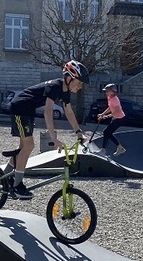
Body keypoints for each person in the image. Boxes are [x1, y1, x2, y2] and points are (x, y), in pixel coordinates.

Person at [6, 60, 88, 199]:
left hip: (28, 111)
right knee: (29, 145)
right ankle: (17, 185)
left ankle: (5, 177)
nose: (80, 87)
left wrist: (79, 132)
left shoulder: (65, 92)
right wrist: (53, 137)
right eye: (79, 83)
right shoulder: (54, 86)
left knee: (22, 148)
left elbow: (69, 112)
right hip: (19, 108)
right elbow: (48, 111)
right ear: (69, 78)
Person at [96, 84, 127, 156]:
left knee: (106, 132)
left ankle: (103, 151)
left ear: (113, 91)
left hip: (120, 119)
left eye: (107, 91)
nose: (106, 92)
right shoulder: (109, 98)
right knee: (108, 133)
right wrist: (102, 114)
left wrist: (106, 117)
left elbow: (117, 111)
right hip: (115, 118)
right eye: (105, 91)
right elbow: (110, 108)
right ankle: (120, 148)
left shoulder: (115, 99)